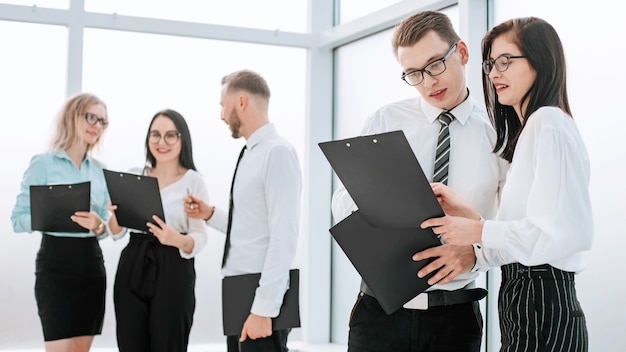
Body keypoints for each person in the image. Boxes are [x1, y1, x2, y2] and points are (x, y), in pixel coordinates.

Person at [331, 11, 508, 352]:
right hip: (378, 314)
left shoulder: (499, 132)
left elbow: (515, 227)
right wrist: (379, 202)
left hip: (455, 321)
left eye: (435, 64)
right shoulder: (386, 120)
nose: (428, 82)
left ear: (463, 53)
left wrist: (476, 255)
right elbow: (341, 200)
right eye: (413, 73)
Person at [421, 17, 592, 352]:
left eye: (505, 61)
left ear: (541, 61)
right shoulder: (534, 128)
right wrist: (473, 220)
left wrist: (477, 232)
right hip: (526, 300)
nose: (494, 74)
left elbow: (557, 237)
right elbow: (525, 238)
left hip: (541, 300)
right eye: (490, 64)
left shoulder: (548, 123)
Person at [185, 69, 302, 352]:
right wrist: (210, 214)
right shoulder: (251, 153)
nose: (222, 115)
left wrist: (264, 307)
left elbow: (284, 233)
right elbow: (251, 226)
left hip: (259, 292)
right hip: (239, 287)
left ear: (241, 101)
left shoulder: (277, 152)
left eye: (222, 105)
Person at [11, 93, 111, 352]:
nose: (96, 125)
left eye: (102, 121)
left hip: (90, 266)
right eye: (90, 117)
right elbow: (17, 219)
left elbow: (105, 226)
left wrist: (99, 225)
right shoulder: (42, 164)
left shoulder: (100, 170)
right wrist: (49, 213)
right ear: (72, 117)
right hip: (55, 265)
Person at [108, 109, 210, 352]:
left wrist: (176, 240)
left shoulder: (193, 181)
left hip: (173, 267)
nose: (161, 142)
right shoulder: (134, 174)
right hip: (133, 262)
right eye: (155, 135)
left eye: (170, 136)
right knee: (130, 342)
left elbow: (200, 237)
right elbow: (116, 232)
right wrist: (114, 213)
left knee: (169, 343)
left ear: (182, 139)